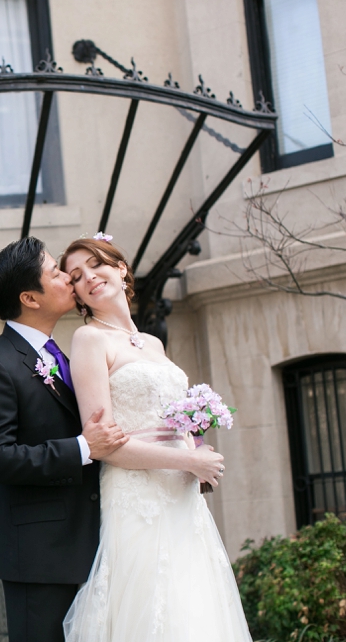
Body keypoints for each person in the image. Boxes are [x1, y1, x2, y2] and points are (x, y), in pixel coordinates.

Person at [0, 237, 226, 642]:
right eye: (59, 273)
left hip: (97, 533)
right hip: (39, 553)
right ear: (30, 298)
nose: (71, 281)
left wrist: (188, 447)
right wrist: (85, 448)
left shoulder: (62, 357)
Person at [60, 234, 252, 641]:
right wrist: (189, 461)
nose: (89, 278)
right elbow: (106, 445)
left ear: (121, 268)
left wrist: (192, 447)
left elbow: (168, 420)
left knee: (194, 610)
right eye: (77, 276)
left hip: (182, 498)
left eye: (97, 265)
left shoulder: (152, 342)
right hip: (137, 497)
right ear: (75, 293)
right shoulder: (89, 340)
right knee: (150, 611)